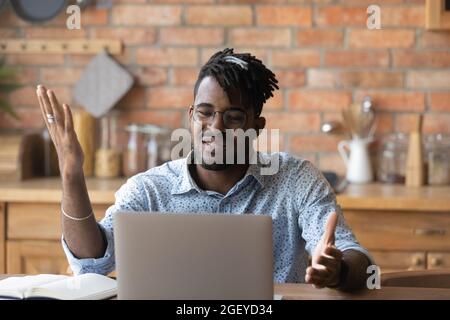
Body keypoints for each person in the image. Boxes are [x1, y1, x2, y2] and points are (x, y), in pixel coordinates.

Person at [35, 48, 372, 291]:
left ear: (257, 126)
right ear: (191, 116)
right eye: (205, 113)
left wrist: (338, 270)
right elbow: (91, 264)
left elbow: (360, 262)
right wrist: (71, 174)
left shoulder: (296, 179)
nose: (217, 127)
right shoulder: (149, 190)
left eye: (234, 116)